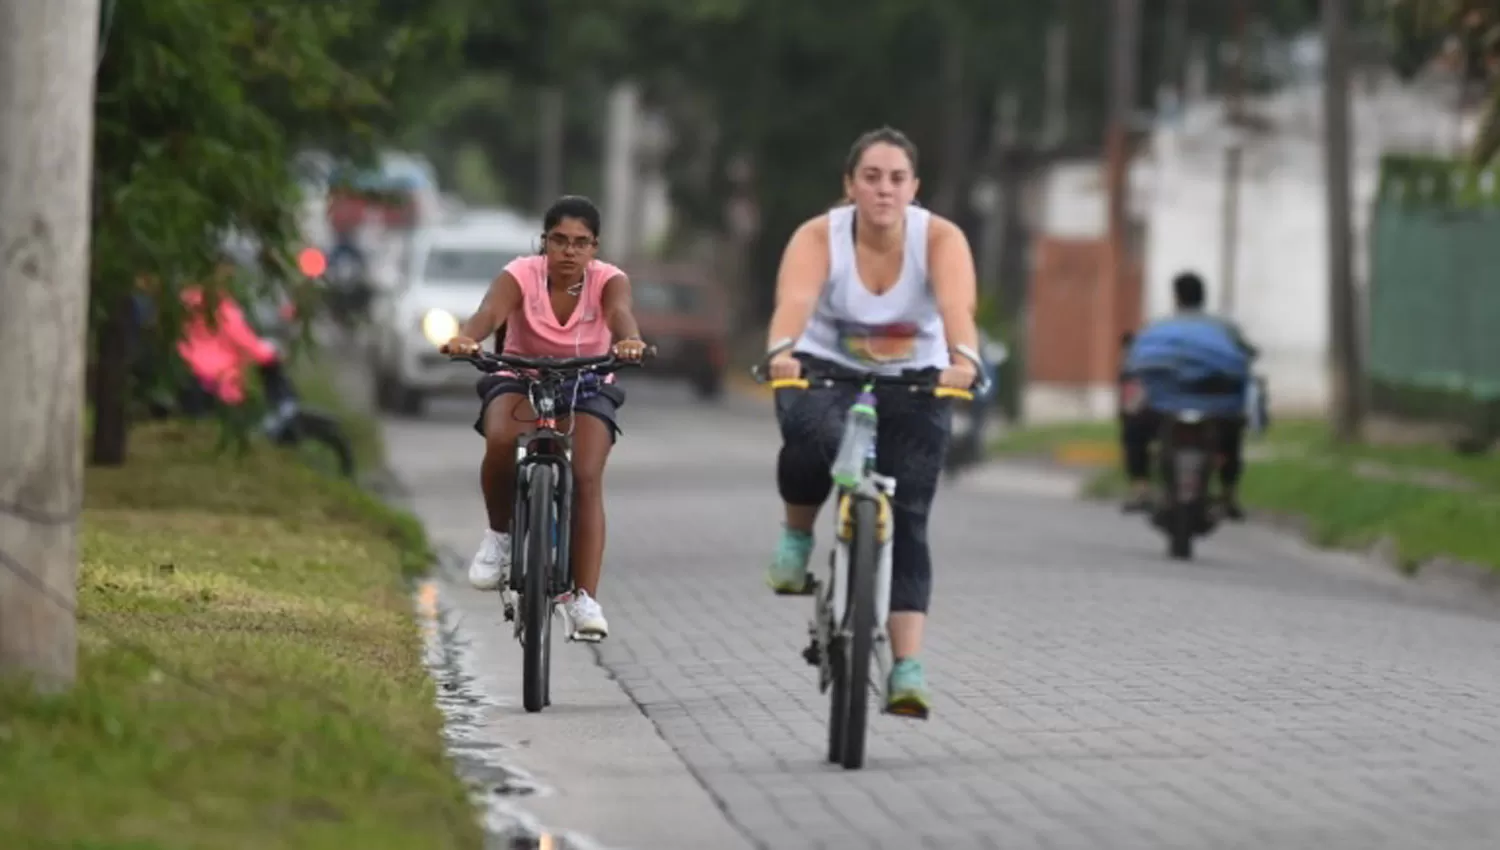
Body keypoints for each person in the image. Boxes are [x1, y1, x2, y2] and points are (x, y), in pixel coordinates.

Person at [761, 126, 983, 719]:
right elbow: (795, 300)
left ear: (914, 188)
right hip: (825, 370)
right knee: (808, 435)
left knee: (908, 516)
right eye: (871, 177)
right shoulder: (818, 236)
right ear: (850, 185)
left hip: (918, 381)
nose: (884, 190)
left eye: (897, 179)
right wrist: (782, 347)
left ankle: (907, 668)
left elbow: (959, 309)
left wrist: (964, 361)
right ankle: (797, 537)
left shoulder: (939, 238)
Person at [438, 195, 647, 640]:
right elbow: (490, 312)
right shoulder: (521, 274)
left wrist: (629, 341)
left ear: (595, 247)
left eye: (581, 243)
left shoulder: (609, 281)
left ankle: (584, 599)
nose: (569, 252)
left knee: (587, 475)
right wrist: (467, 338)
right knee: (499, 437)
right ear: (544, 242)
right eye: (559, 240)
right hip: (519, 375)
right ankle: (500, 537)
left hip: (586, 381)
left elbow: (620, 315)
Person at [1120, 271, 1257, 518]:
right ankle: (1228, 494)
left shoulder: (1157, 328)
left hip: (1162, 407)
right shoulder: (1223, 328)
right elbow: (1244, 356)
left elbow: (1135, 361)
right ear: (1203, 297)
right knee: (1232, 438)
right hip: (1216, 408)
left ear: (1176, 297)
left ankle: (1140, 487)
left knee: (1133, 428)